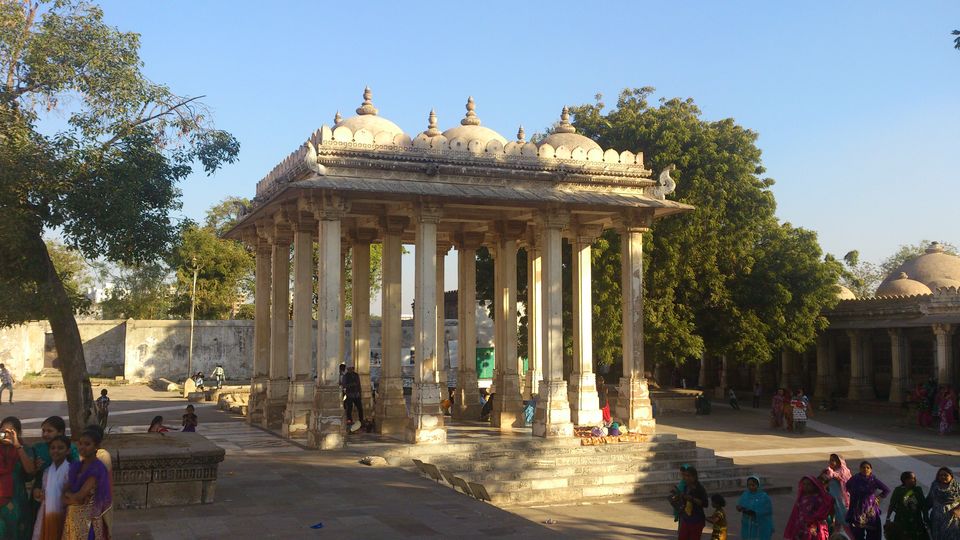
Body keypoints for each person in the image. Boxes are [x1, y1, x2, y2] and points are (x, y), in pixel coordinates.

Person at [62, 427, 111, 540]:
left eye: (87, 444)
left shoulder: (97, 469)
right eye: (80, 443)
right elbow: (64, 490)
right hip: (72, 517)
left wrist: (68, 497)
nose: (82, 447)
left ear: (96, 447)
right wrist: (70, 497)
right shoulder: (77, 466)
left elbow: (79, 496)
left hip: (88, 521)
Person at [0, 416, 36, 539]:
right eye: (3, 431)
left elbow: (30, 471)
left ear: (17, 433)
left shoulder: (25, 449)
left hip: (17, 499)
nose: (5, 435)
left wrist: (17, 446)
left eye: (10, 432)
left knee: (17, 531)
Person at [31, 434, 71, 540]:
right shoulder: (47, 472)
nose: (56, 451)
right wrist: (40, 494)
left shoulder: (71, 471)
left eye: (60, 448)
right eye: (53, 448)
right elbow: (43, 493)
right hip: (46, 513)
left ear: (68, 451)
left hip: (65, 514)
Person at [845, 461, 890, 540]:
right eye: (863, 467)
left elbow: (886, 490)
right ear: (860, 469)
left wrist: (878, 497)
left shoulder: (873, 480)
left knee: (873, 534)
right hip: (857, 510)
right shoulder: (855, 479)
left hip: (870, 511)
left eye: (867, 468)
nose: (865, 469)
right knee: (857, 534)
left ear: (871, 470)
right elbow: (847, 486)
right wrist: (853, 495)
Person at [785, 475, 834, 540]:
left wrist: (813, 520)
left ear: (814, 486)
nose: (806, 486)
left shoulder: (819, 499)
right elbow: (795, 514)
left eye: (809, 484)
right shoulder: (801, 498)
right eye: (804, 484)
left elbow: (824, 511)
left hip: (814, 527)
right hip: (800, 528)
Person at [885, 471, 929, 540]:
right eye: (912, 478)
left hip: (916, 520)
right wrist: (888, 518)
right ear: (905, 480)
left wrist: (926, 518)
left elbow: (923, 505)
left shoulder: (918, 490)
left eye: (914, 478)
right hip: (901, 520)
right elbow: (892, 504)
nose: (914, 480)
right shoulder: (898, 490)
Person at [669, 465, 708, 540]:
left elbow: (705, 503)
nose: (685, 477)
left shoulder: (700, 489)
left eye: (688, 476)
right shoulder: (686, 487)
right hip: (686, 518)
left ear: (694, 477)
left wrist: (692, 499)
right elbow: (684, 499)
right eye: (685, 475)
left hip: (696, 519)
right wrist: (677, 496)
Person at [821, 455, 852, 536]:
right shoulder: (829, 471)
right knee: (835, 525)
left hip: (842, 502)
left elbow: (844, 480)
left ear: (839, 462)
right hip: (833, 501)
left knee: (846, 523)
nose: (831, 462)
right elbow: (823, 482)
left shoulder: (844, 471)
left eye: (833, 460)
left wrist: (833, 474)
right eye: (830, 460)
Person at [927, 466, 960, 539]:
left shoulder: (957, 487)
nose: (943, 477)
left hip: (952, 519)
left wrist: (958, 509)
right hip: (937, 520)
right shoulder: (934, 486)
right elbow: (929, 500)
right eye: (940, 475)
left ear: (951, 476)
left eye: (945, 475)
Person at [737, 475, 774, 540]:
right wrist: (739, 508)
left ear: (758, 485)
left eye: (753, 485)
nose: (751, 487)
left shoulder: (764, 497)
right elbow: (739, 505)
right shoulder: (745, 494)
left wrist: (755, 512)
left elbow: (767, 511)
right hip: (747, 524)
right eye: (749, 485)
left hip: (758, 525)